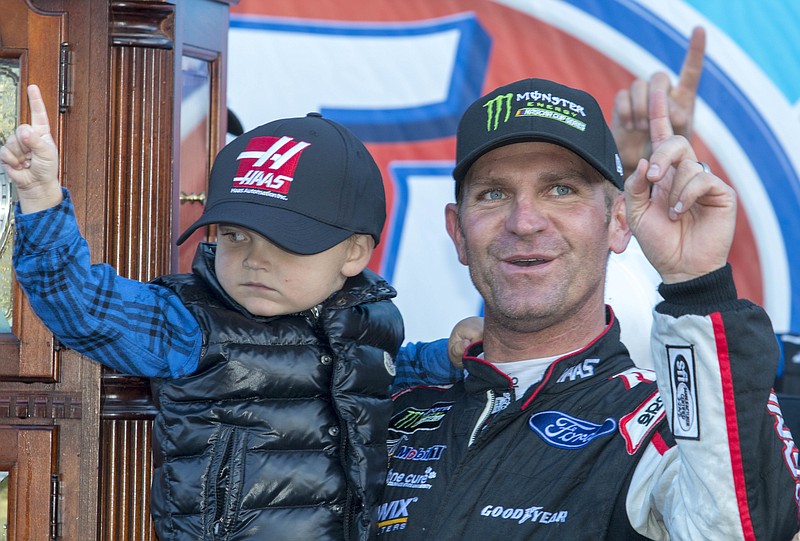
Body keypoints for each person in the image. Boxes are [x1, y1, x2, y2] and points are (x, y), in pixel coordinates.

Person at [1, 86, 455, 541]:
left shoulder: (372, 320)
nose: (255, 259)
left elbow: (386, 372)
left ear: (354, 253)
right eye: (237, 235)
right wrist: (41, 198)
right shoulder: (192, 323)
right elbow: (79, 303)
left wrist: (450, 356)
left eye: (286, 241)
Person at [376, 76, 800, 539]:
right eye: (494, 193)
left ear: (619, 222)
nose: (524, 222)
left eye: (561, 189)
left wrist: (696, 285)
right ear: (458, 232)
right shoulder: (388, 411)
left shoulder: (661, 423)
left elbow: (733, 529)